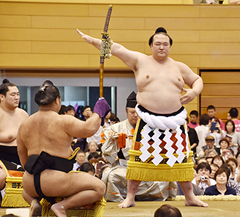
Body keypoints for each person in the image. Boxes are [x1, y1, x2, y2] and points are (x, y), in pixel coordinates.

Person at [78, 27, 208, 207]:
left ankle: (189, 196)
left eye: (165, 44)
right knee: (138, 158)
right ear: (151, 46)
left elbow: (197, 80)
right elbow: (117, 49)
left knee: (181, 158)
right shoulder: (140, 61)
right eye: (158, 44)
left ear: (170, 46)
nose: (162, 47)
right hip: (148, 121)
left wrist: (194, 92)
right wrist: (92, 41)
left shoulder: (179, 67)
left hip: (174, 122)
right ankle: (130, 197)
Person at [17, 80, 111, 217]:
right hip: (55, 181)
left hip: (30, 185)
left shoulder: (24, 124)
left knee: (26, 190)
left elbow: (23, 159)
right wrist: (98, 112)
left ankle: (34, 203)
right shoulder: (63, 120)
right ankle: (61, 206)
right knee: (99, 188)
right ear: (57, 100)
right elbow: (89, 128)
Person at [101, 92, 177, 202]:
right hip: (125, 167)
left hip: (148, 166)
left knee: (163, 178)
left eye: (138, 113)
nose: (135, 115)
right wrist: (114, 138)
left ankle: (151, 199)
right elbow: (106, 149)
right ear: (126, 112)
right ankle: (119, 203)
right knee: (113, 176)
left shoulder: (152, 128)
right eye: (132, 112)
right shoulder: (116, 128)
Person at [0, 79, 29, 166]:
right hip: (2, 159)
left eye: (18, 94)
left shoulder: (23, 114)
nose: (16, 98)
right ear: (2, 97)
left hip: (22, 157)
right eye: (13, 95)